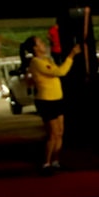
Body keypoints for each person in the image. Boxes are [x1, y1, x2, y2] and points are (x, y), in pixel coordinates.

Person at [28, 35, 81, 173]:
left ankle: (56, 161)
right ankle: (46, 163)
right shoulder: (36, 62)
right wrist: (71, 55)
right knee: (53, 133)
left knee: (60, 132)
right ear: (35, 48)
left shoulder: (46, 59)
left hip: (57, 98)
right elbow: (60, 72)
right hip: (47, 100)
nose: (43, 44)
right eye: (40, 43)